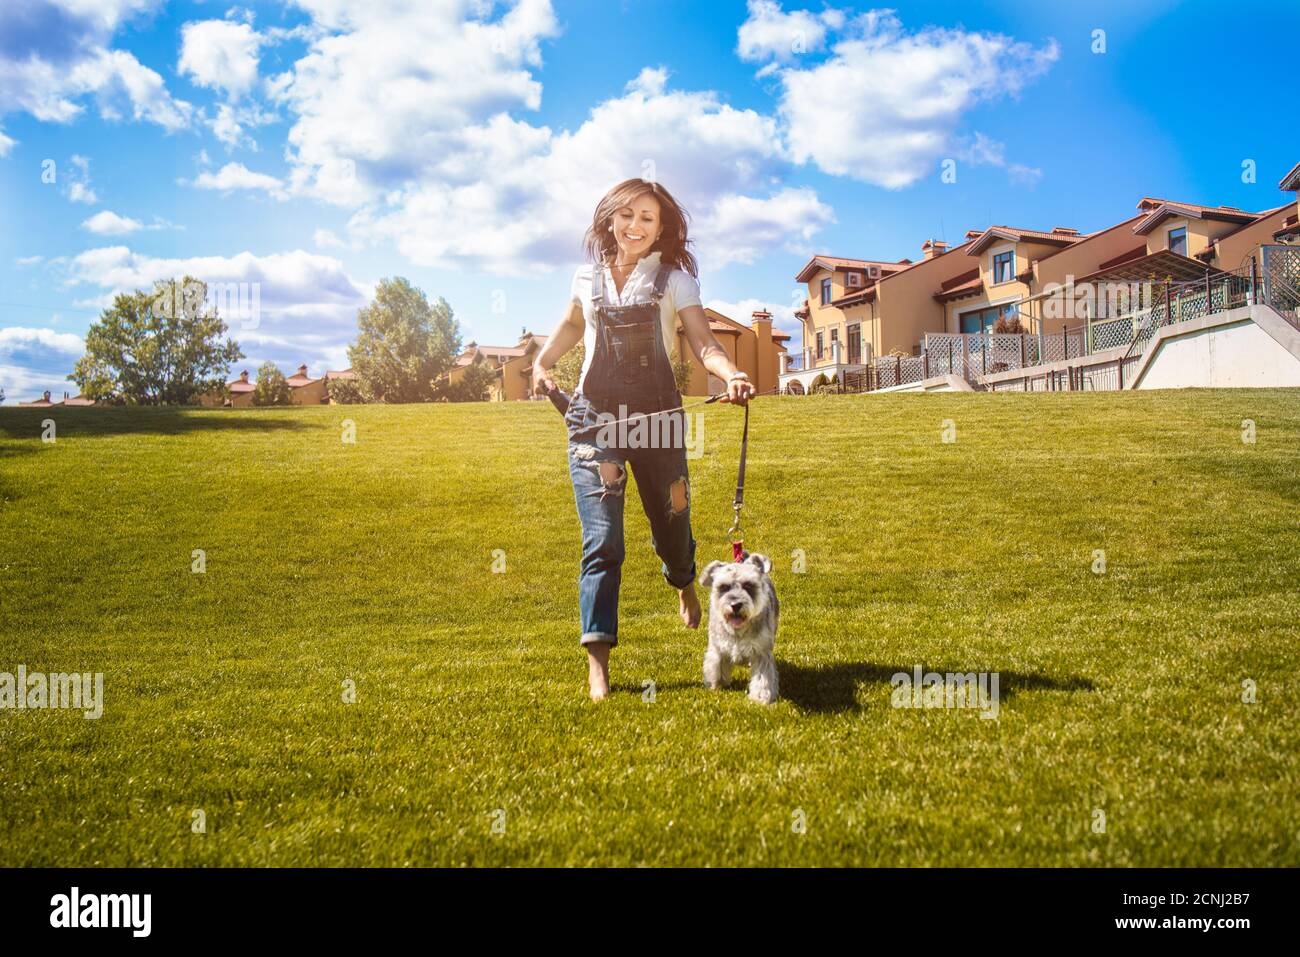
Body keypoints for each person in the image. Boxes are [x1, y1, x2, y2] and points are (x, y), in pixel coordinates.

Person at [531, 178, 756, 702]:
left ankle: (683, 581)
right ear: (609, 219)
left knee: (672, 519)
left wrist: (731, 373)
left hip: (657, 420)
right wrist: (542, 363)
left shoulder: (674, 281)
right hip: (595, 422)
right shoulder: (584, 278)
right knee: (604, 541)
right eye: (627, 215)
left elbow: (704, 343)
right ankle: (598, 666)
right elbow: (567, 329)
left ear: (662, 229)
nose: (635, 226)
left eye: (648, 219)